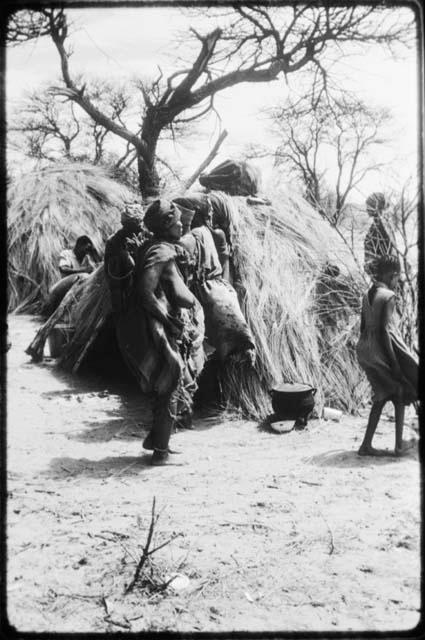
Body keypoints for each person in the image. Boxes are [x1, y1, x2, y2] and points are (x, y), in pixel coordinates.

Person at [115, 200, 205, 465]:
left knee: (167, 386)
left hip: (162, 324)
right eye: (177, 220)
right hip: (156, 328)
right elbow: (145, 292)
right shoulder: (160, 253)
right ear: (166, 224)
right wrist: (168, 319)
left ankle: (157, 439)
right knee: (168, 385)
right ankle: (160, 452)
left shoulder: (159, 248)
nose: (182, 224)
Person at [356, 255, 418, 457]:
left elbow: (364, 327)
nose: (397, 283)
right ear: (393, 275)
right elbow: (384, 332)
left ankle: (366, 445)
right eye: (397, 279)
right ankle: (399, 447)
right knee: (399, 391)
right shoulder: (389, 296)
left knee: (382, 395)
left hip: (364, 349)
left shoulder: (368, 294)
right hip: (377, 350)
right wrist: (396, 364)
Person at [104, 203, 145, 314]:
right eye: (136, 225)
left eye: (141, 223)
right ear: (125, 225)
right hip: (121, 282)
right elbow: (113, 276)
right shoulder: (114, 241)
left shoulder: (143, 235)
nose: (140, 227)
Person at [363, 192, 396, 278]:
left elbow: (389, 251)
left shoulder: (382, 225)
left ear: (376, 206)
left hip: (384, 274)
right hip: (382, 272)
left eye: (369, 206)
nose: (366, 209)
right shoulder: (380, 223)